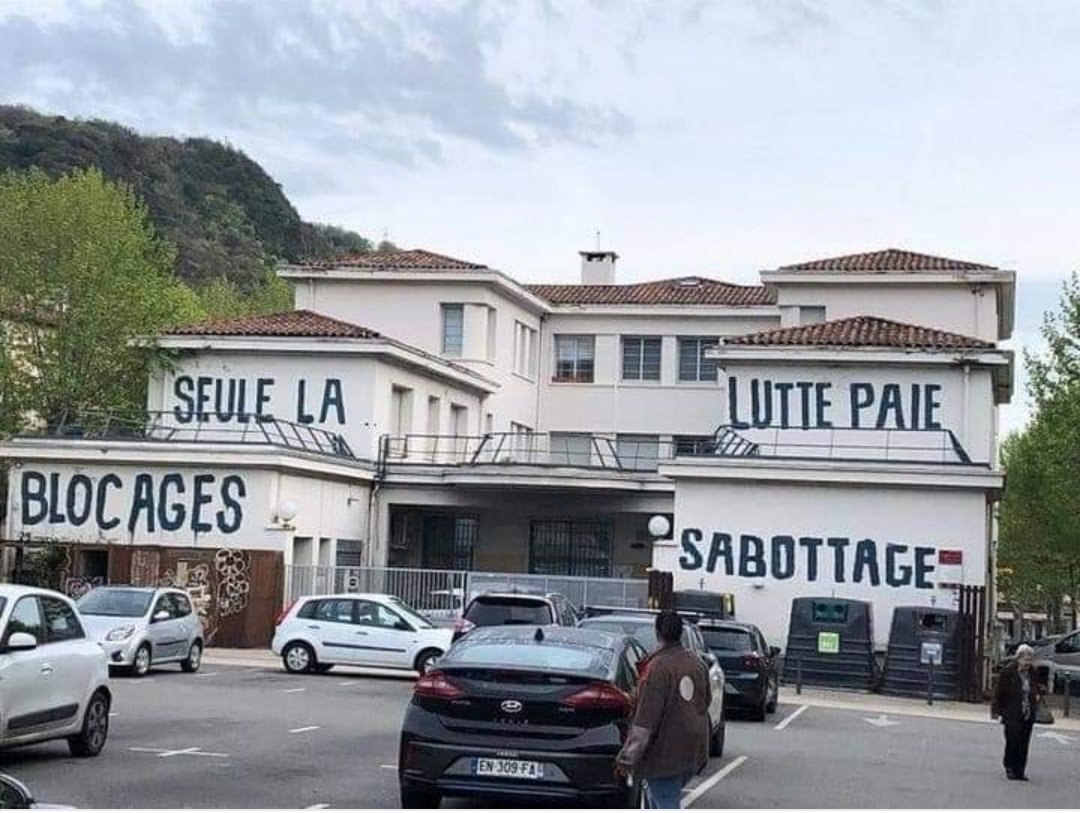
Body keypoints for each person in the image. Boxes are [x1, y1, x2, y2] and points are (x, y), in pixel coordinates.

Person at [616, 611, 711, 808]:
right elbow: (705, 702)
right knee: (656, 799)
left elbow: (645, 720)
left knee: (665, 802)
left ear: (657, 632)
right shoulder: (697, 664)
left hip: (664, 754)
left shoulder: (657, 668)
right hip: (692, 749)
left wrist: (627, 758)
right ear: (681, 633)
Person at [991, 643, 1042, 781]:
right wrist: (997, 711)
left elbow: (1037, 687)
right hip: (1011, 711)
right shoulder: (1008, 672)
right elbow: (998, 693)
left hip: (1027, 712)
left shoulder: (1032, 672)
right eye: (1026, 659)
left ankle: (1020, 770)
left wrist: (1037, 695)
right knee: (1012, 740)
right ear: (1018, 658)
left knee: (1024, 742)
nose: (1028, 662)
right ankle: (1009, 767)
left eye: (1030, 659)